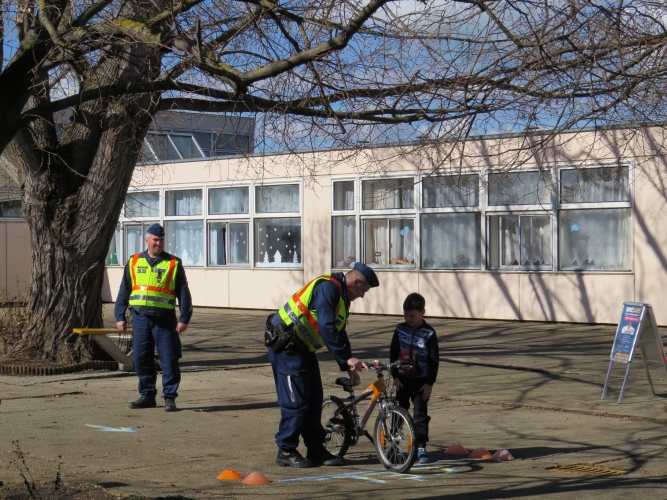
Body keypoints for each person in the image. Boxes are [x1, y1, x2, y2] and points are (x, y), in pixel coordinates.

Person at [266, 262, 379, 468]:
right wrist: (346, 359)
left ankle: (315, 448)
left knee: (314, 399)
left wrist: (348, 366)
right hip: (286, 346)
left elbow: (339, 333)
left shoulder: (342, 299)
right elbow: (327, 327)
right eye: (363, 290)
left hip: (303, 349)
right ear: (356, 281)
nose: (362, 295)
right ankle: (286, 450)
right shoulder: (328, 288)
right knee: (296, 402)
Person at [115, 223, 193, 412]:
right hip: (140, 318)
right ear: (147, 240)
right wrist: (119, 316)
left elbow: (183, 293)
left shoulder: (173, 263)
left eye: (161, 240)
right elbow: (124, 290)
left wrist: (184, 318)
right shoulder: (134, 262)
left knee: (169, 359)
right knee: (142, 359)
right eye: (155, 240)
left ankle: (169, 398)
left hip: (165, 320)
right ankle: (147, 395)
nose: (158, 243)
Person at [390, 292, 439, 464]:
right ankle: (394, 445)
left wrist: (429, 383)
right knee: (398, 412)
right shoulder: (400, 329)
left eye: (412, 315)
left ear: (422, 312)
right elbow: (393, 354)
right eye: (405, 315)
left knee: (420, 414)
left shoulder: (429, 333)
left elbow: (434, 360)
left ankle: (421, 447)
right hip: (402, 381)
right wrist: (395, 376)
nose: (408, 319)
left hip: (420, 382)